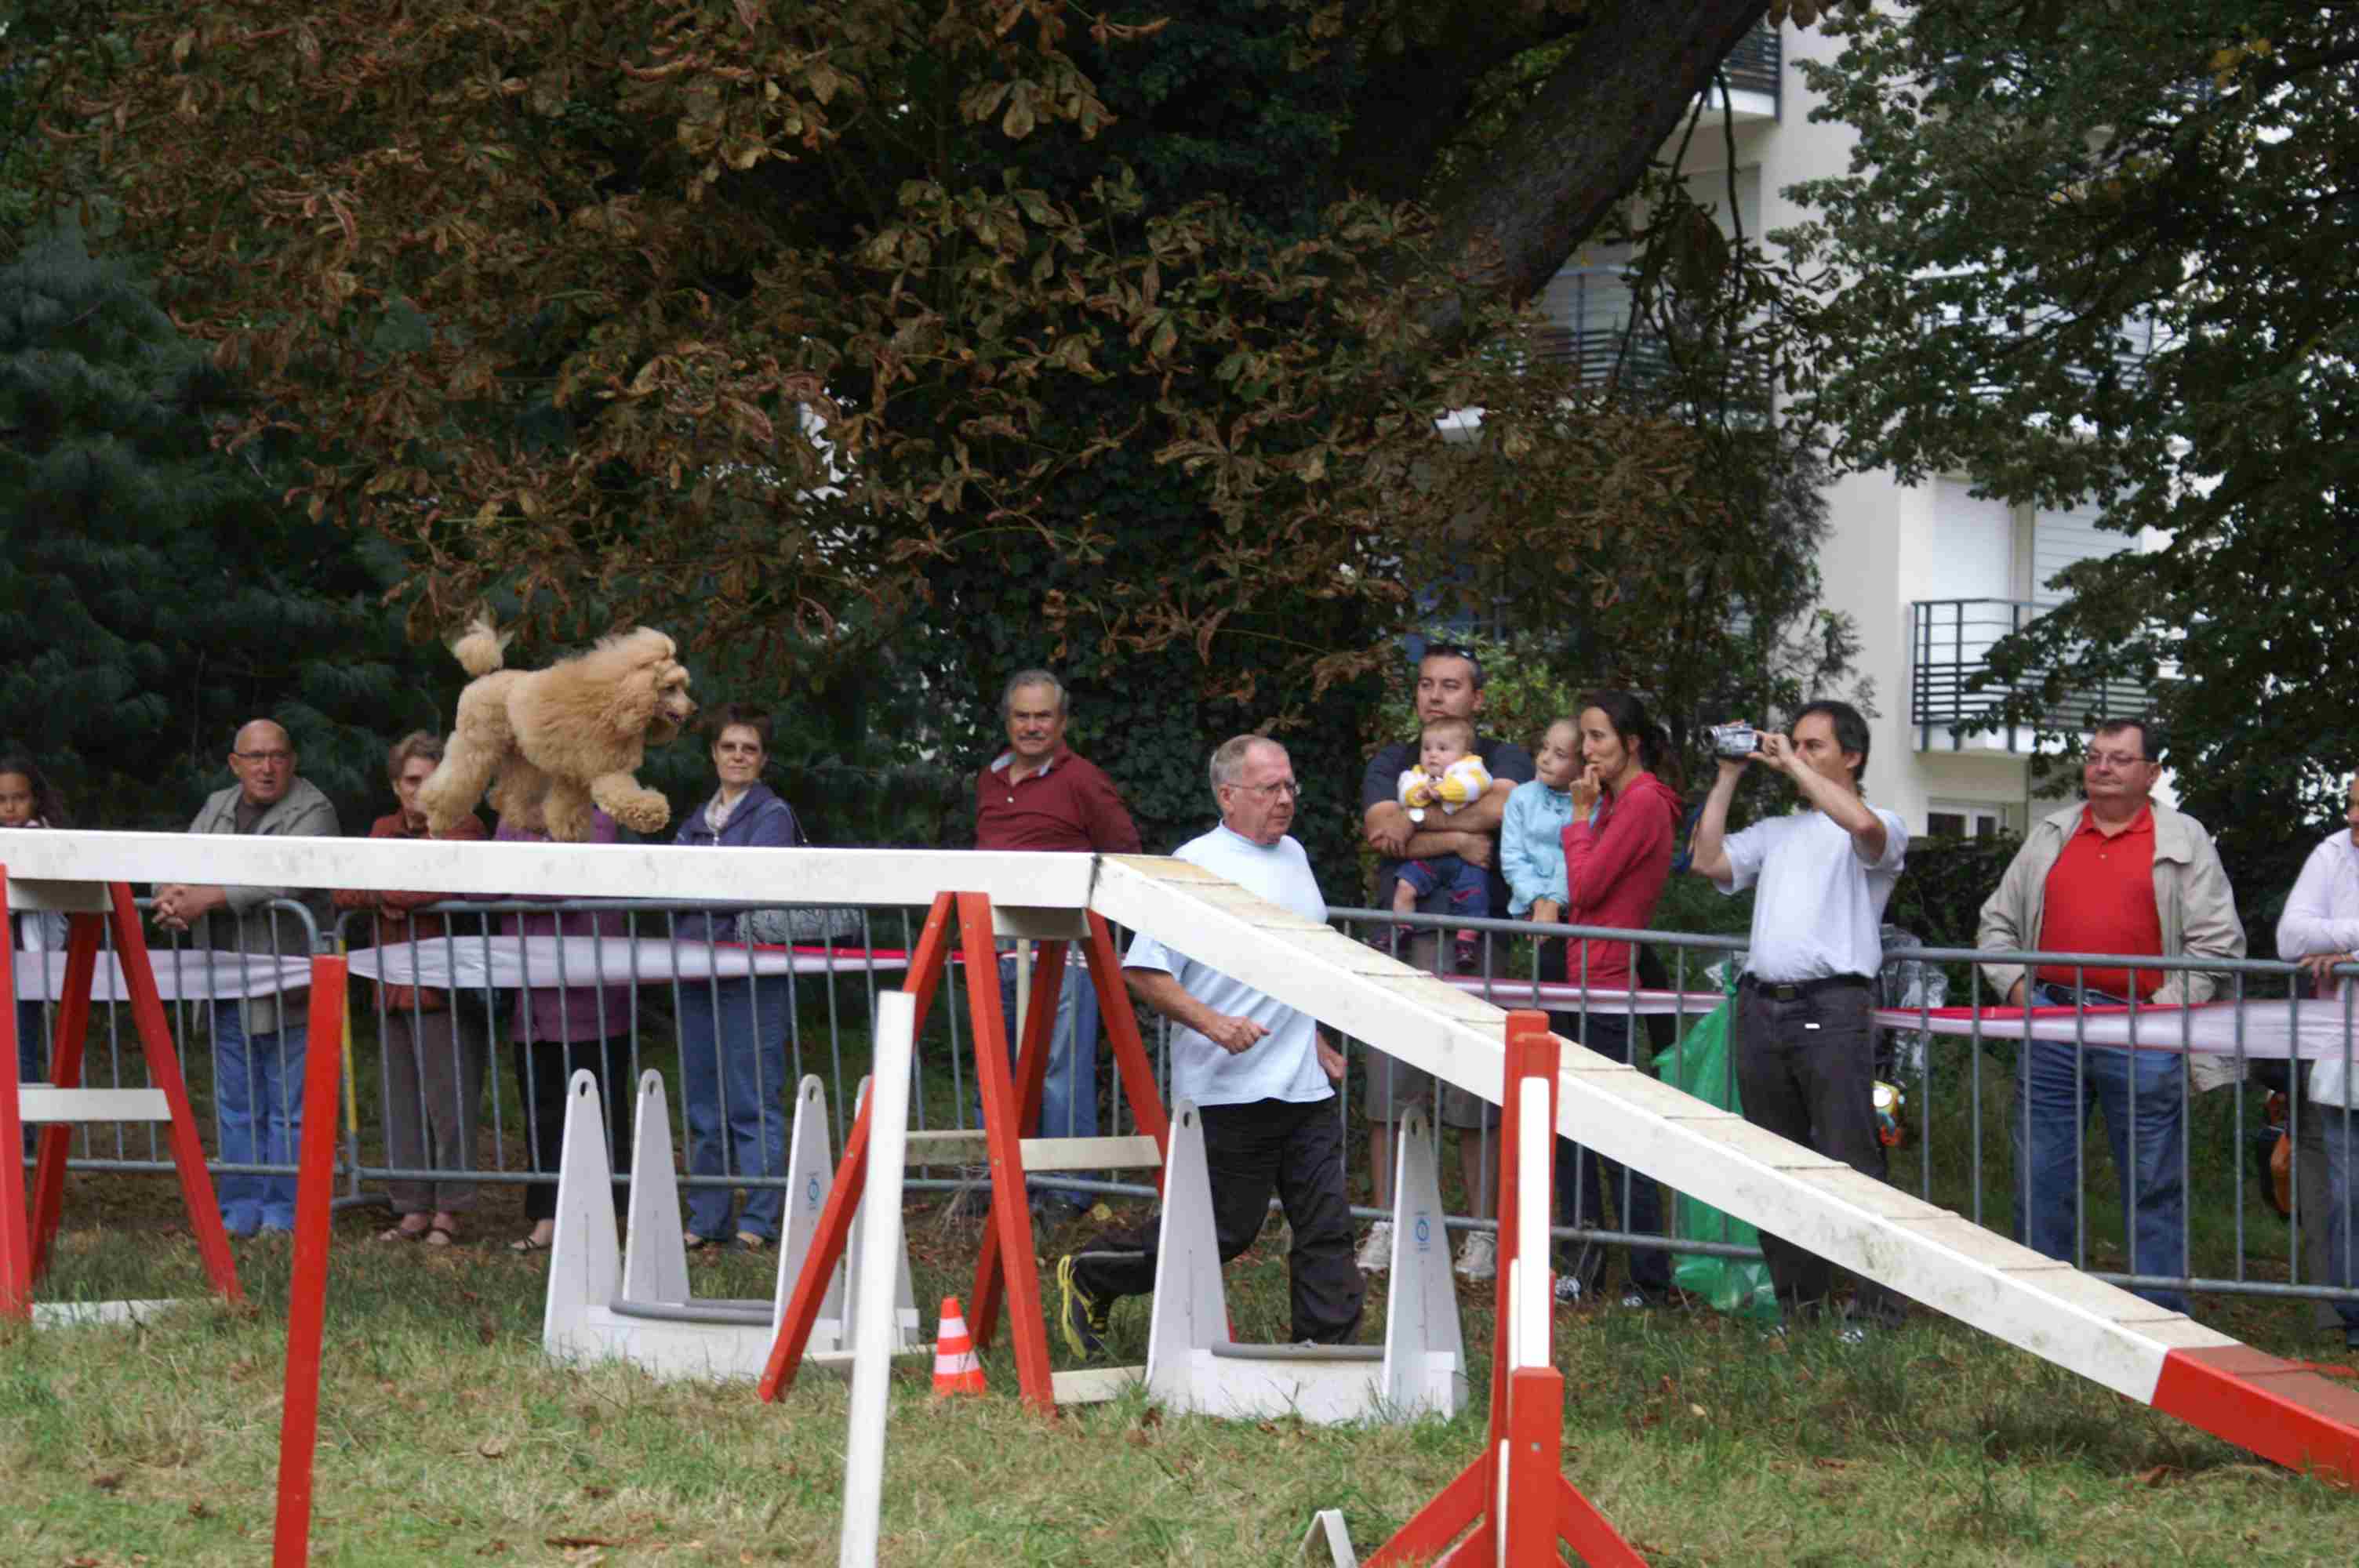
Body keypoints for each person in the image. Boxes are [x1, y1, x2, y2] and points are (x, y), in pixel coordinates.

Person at [1055, 735, 1361, 1356]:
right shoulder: (1194, 864)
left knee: (1326, 1226)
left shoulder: (1296, 855)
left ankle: (1326, 1354)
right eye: (1269, 788)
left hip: (1304, 1083)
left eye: (1290, 786)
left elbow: (1295, 965)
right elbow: (1145, 971)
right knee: (1222, 1232)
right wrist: (1214, 1024)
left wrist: (1315, 1037)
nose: (1286, 799)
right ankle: (1094, 1272)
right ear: (1228, 795)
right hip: (1227, 1087)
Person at [1976, 717, 2244, 1314]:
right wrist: (2019, 991)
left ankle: (2158, 1316)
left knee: (2153, 1180)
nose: (2102, 768)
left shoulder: (2184, 839)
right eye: (2095, 756)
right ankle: (2041, 1309)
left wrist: (2163, 1012)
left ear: (2152, 773)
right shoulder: (2052, 832)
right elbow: (1997, 922)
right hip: (2051, 1022)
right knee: (2040, 1172)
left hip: (2143, 1030)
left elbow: (2218, 942)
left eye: (2120, 759)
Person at [1689, 700, 1907, 1331]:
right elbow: (1707, 861)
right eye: (1797, 744)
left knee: (1850, 1158)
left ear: (1852, 757)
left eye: (1816, 746)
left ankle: (1876, 1307)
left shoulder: (1880, 824)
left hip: (1832, 1005)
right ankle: (1799, 1306)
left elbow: (1862, 826)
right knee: (1777, 1161)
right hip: (1763, 1006)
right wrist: (1728, 775)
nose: (1799, 754)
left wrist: (1791, 765)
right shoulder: (1779, 831)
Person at [1358, 641, 1535, 1282]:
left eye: (1451, 685)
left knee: (1475, 1095)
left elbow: (1504, 808)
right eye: (1427, 684)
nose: (1436, 696)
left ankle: (1482, 1234)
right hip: (1399, 941)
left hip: (1475, 941)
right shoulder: (1393, 760)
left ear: (1477, 698)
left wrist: (1416, 823)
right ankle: (1386, 1223)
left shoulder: (1507, 758)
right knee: (1388, 1090)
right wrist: (1459, 836)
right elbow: (1382, 831)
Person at [151, 720, 340, 1238]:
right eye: (255, 757)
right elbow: (177, 863)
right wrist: (170, 897)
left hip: (289, 987)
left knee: (290, 1109)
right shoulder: (216, 806)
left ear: (293, 760)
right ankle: (239, 1214)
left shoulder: (315, 810)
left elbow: (290, 876)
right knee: (235, 1106)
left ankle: (285, 1217)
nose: (267, 767)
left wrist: (208, 898)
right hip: (224, 987)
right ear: (235, 764)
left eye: (277, 755)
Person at [972, 668, 1142, 1221]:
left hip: (1064, 949)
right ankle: (999, 1180)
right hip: (997, 946)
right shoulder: (989, 779)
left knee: (1060, 1070)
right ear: (1007, 721)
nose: (1032, 726)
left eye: (1043, 716)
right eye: (1022, 716)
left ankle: (1067, 1190)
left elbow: (1125, 854)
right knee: (997, 1066)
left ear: (1062, 722)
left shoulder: (1084, 780)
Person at [1551, 692, 1684, 1307]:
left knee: (1615, 1132)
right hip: (1581, 976)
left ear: (1631, 744)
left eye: (1599, 737)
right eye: (1584, 737)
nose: (1587, 750)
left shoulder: (1644, 802)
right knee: (1571, 1129)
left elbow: (1585, 887)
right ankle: (1583, 1265)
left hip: (1608, 983)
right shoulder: (1613, 801)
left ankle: (1648, 1277)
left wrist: (1578, 820)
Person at [332, 732, 489, 1247]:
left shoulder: (465, 826)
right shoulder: (383, 829)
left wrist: (388, 892)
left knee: (450, 1105)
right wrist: (392, 892)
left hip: (445, 989)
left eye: (432, 779)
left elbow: (435, 884)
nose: (422, 790)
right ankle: (411, 1209)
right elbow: (343, 889)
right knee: (400, 1104)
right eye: (412, 780)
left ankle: (450, 1210)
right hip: (391, 987)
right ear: (396, 786)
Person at [672, 705, 803, 1251]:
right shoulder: (695, 821)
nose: (738, 756)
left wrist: (703, 898)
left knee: (752, 1098)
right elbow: (670, 885)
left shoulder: (772, 815)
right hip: (695, 970)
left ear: (763, 759)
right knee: (703, 1100)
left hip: (753, 974)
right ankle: (707, 1217)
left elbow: (751, 888)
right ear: (714, 754)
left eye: (749, 748)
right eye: (729, 747)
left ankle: (761, 1219)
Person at [500, 804, 635, 1253]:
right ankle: (547, 1218)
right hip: (532, 1006)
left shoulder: (599, 816)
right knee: (541, 1111)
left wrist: (521, 871)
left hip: (592, 1002)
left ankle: (605, 1218)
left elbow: (565, 884)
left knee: (601, 1112)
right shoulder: (510, 816)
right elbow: (483, 884)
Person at [2277, 772, 2359, 1352]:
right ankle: (2354, 1319)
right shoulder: (2333, 852)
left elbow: (2316, 934)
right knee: (2348, 1195)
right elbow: (2291, 938)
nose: (2354, 817)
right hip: (2343, 1065)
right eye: (2352, 804)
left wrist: (2348, 950)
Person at [1390, 715, 1496, 966]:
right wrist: (1419, 795)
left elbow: (1475, 786)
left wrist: (1441, 791)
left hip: (1466, 860)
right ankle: (1402, 927)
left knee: (1474, 895)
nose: (1433, 755)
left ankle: (1466, 942)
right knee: (1405, 884)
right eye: (1427, 748)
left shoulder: (1471, 768)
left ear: (1464, 753)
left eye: (1443, 748)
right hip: (1431, 855)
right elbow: (1405, 792)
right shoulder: (1417, 775)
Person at [2, 757, 69, 1139]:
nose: (10, 808)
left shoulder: (42, 840)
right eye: (1, 800)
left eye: (19, 798)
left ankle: (21, 1138)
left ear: (35, 799)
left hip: (25, 965)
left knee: (19, 1048)